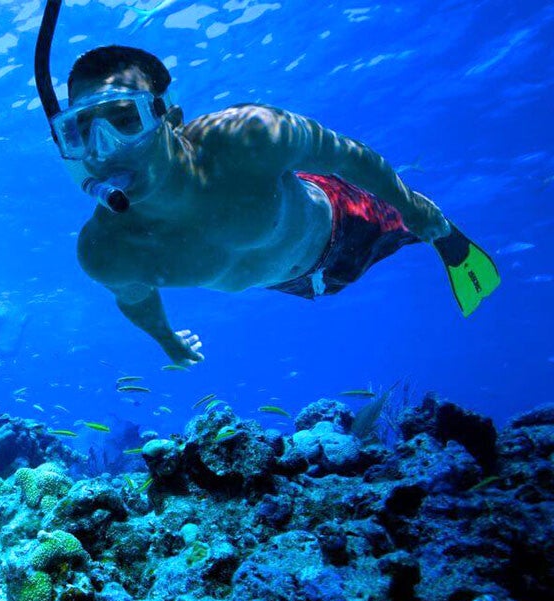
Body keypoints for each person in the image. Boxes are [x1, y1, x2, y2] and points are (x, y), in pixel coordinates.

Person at [33, 1, 500, 366]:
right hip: (296, 284)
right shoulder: (105, 251)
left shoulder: (250, 137)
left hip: (346, 221)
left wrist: (409, 205)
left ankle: (439, 231)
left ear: (170, 118)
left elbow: (344, 155)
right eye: (81, 131)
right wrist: (168, 342)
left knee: (416, 224)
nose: (105, 149)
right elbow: (134, 297)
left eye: (124, 119)